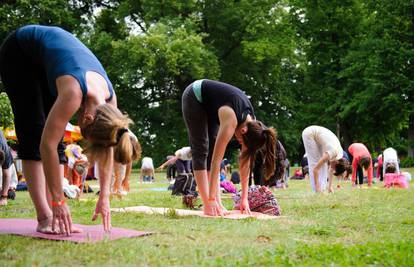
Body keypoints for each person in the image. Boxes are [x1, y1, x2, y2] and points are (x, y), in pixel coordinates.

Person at [0, 25, 137, 234]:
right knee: (34, 132)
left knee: (59, 141)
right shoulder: (73, 92)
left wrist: (105, 197)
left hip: (47, 60)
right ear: (88, 118)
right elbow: (47, 145)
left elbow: (109, 146)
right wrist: (58, 202)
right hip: (19, 51)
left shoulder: (110, 103)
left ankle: (56, 217)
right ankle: (44, 216)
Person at [182, 79, 277, 216]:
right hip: (194, 96)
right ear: (243, 131)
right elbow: (216, 161)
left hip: (211, 106)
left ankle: (218, 205)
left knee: (212, 146)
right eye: (240, 141)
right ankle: (208, 205)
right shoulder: (231, 118)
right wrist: (211, 198)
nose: (239, 142)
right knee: (201, 148)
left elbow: (244, 164)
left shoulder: (253, 126)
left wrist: (245, 199)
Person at [302, 125, 349, 193]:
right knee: (314, 162)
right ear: (337, 163)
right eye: (335, 168)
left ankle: (323, 188)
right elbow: (315, 169)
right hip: (309, 133)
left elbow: (331, 169)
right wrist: (317, 186)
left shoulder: (338, 156)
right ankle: (317, 190)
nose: (332, 168)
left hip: (317, 136)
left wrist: (329, 187)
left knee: (323, 164)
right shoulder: (333, 152)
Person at [0, 131, 13, 206]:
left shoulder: (5, 151)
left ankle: (4, 196)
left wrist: (4, 197)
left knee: (6, 172)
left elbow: (7, 175)